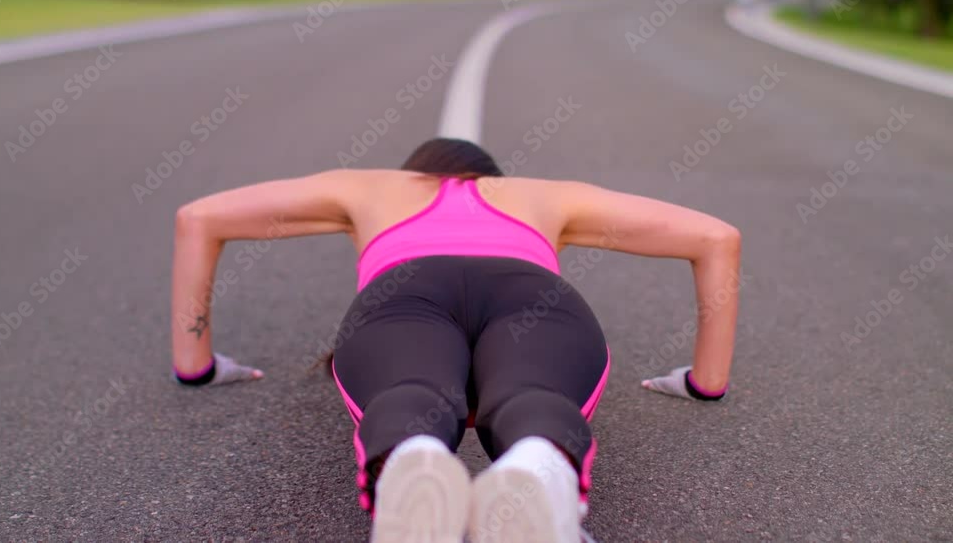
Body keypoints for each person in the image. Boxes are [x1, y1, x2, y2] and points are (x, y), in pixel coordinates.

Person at [168, 138, 741, 543]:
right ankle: (538, 470)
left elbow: (199, 218)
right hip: (530, 293)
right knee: (533, 399)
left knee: (410, 394)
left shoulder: (366, 186)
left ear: (417, 169)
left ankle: (412, 461)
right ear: (491, 175)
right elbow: (717, 237)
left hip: (403, 293)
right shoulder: (547, 195)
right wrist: (704, 383)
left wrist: (197, 363)